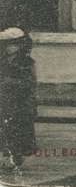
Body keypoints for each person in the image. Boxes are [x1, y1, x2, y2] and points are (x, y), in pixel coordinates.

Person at [0, 27, 36, 172]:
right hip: (5, 100)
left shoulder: (26, 62)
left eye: (12, 44)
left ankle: (18, 157)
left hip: (20, 100)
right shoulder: (3, 61)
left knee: (20, 128)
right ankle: (7, 155)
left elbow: (30, 82)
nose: (9, 48)